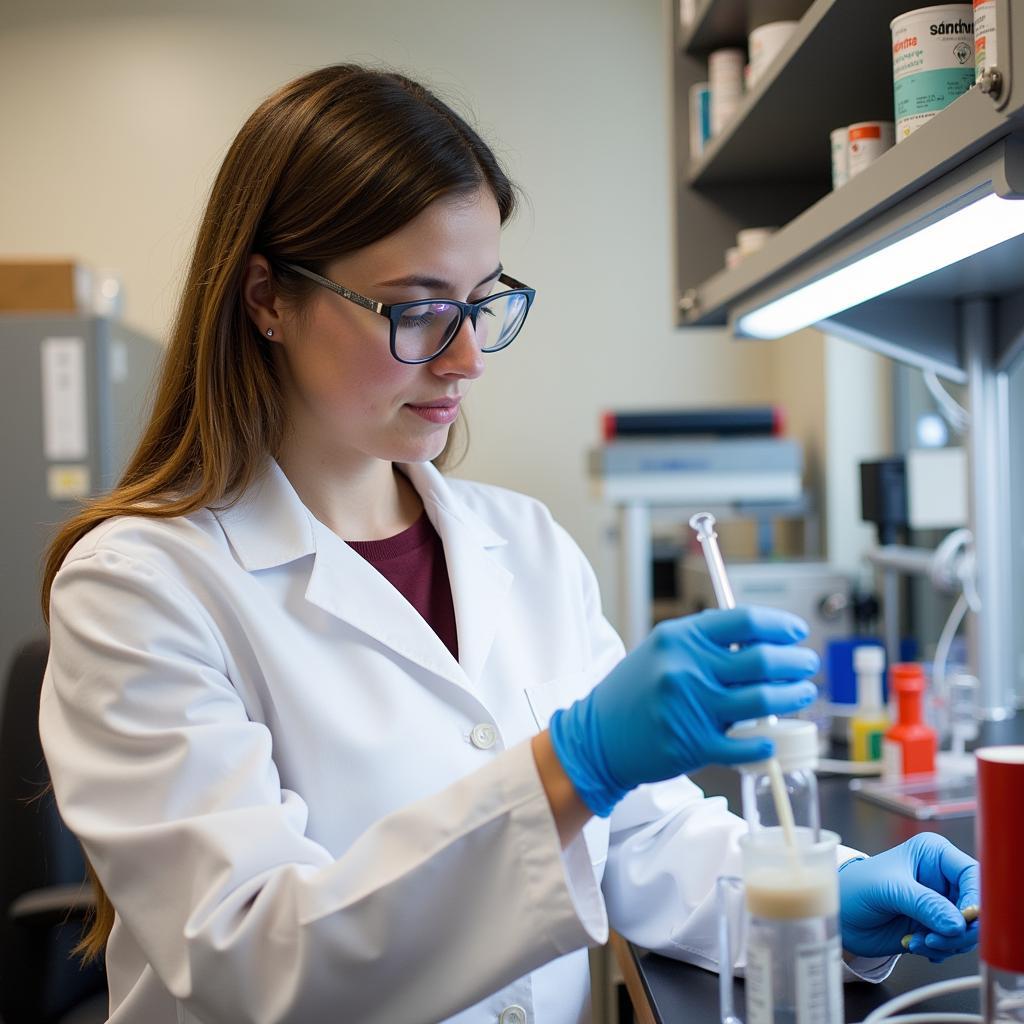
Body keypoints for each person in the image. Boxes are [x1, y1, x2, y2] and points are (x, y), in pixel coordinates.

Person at [39, 65, 979, 1024]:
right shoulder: (140, 587)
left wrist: (823, 894)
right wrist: (574, 763)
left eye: (483, 300)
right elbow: (254, 956)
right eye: (416, 309)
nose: (467, 357)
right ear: (266, 298)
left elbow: (640, 840)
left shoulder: (522, 544)